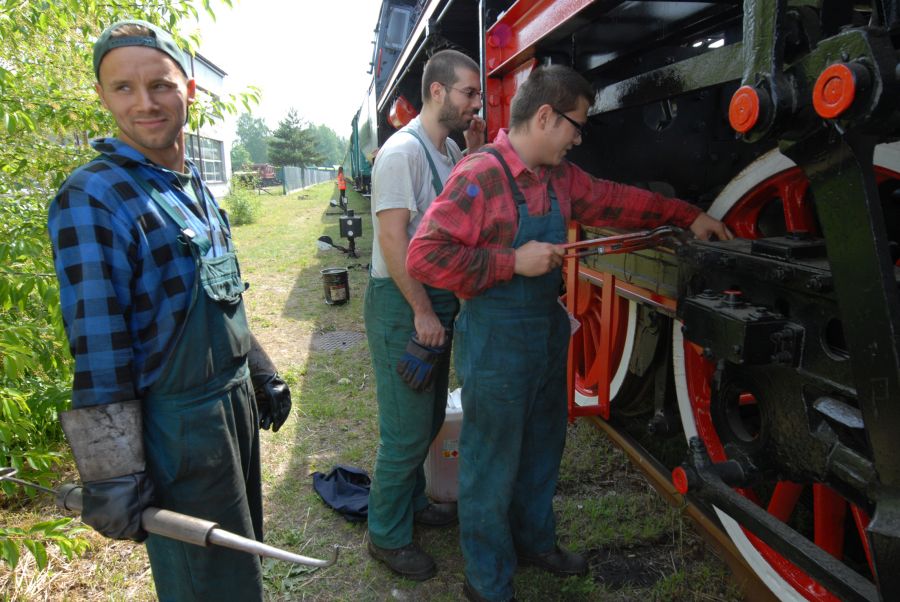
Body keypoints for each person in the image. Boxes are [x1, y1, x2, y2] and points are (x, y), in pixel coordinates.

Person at [406, 64, 732, 602]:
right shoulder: (480, 174)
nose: (579, 138)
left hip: (546, 335)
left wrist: (685, 215)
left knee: (542, 447)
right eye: (576, 126)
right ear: (544, 116)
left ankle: (535, 542)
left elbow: (617, 201)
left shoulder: (562, 178)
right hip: (497, 343)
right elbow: (425, 255)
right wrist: (512, 261)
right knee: (489, 462)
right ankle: (485, 581)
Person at [47, 20, 291, 600]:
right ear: (102, 98)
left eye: (159, 84)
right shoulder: (94, 197)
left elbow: (220, 292)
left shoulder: (193, 185)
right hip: (175, 427)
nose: (145, 103)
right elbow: (99, 346)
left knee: (238, 563)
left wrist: (258, 369)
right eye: (123, 88)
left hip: (229, 410)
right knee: (205, 583)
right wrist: (112, 472)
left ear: (189, 89)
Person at [364, 48, 486, 581]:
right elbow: (392, 239)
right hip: (403, 303)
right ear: (438, 91)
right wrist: (420, 311)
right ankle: (385, 537)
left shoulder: (449, 149)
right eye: (470, 93)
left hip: (431, 303)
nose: (476, 103)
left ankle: (412, 503)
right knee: (407, 431)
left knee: (431, 417)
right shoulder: (401, 154)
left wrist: (476, 151)